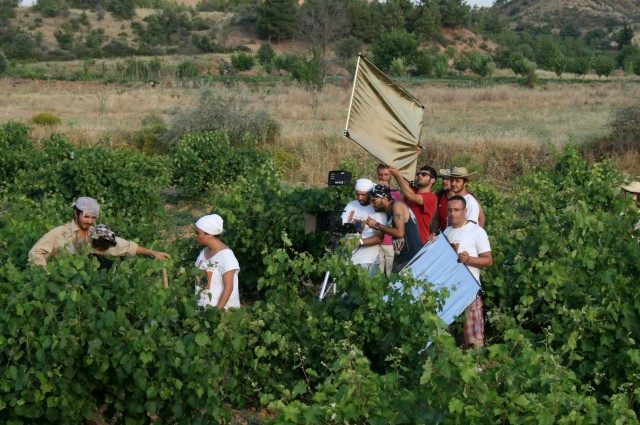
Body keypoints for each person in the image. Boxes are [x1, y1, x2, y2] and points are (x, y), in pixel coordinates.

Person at [28, 196, 171, 270]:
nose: (90, 221)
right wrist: (47, 274)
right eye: (86, 216)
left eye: (93, 217)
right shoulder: (59, 233)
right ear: (75, 213)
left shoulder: (95, 233)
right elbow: (35, 253)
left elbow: (122, 245)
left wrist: (152, 253)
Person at [443, 195, 493, 348]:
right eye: (450, 210)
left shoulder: (476, 231)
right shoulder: (446, 231)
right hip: (448, 291)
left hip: (469, 290)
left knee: (474, 334)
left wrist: (469, 259)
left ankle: (477, 366)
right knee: (448, 333)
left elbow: (488, 260)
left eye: (457, 210)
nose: (453, 214)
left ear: (465, 211)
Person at [365, 184, 422, 274]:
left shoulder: (397, 206)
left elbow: (399, 233)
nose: (372, 204)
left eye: (374, 201)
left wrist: (376, 225)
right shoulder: (387, 211)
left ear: (384, 198)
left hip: (410, 258)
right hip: (401, 258)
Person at [194, 214, 241, 310]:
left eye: (198, 233)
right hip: (203, 310)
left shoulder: (226, 256)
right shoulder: (203, 253)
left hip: (222, 314)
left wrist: (216, 313)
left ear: (209, 234)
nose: (195, 236)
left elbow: (229, 288)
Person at [340, 178, 386, 276]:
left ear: (370, 193)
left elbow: (379, 238)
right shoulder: (351, 206)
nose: (360, 197)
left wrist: (359, 242)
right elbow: (341, 225)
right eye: (357, 194)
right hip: (348, 258)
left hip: (368, 259)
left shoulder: (377, 209)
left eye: (363, 195)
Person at [388, 165, 438, 245]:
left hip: (420, 241)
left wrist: (397, 175)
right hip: (405, 241)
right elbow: (405, 182)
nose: (419, 176)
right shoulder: (413, 191)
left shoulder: (431, 197)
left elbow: (411, 196)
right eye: (418, 174)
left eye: (424, 174)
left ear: (432, 180)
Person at [376, 163, 402, 276]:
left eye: (386, 175)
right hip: (377, 239)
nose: (383, 178)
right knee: (377, 274)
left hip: (390, 240)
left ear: (390, 175)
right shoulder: (373, 191)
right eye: (381, 175)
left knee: (390, 274)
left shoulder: (395, 192)